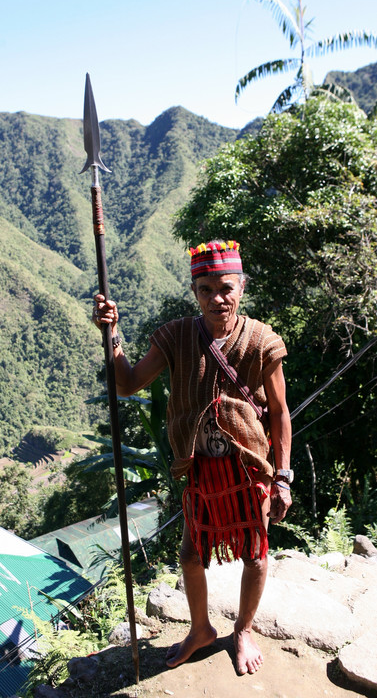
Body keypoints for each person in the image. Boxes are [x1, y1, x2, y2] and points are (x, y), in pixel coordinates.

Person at [93, 240, 292, 676]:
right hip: (200, 467)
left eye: (225, 287)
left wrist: (282, 477)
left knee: (255, 552)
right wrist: (112, 335)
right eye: (205, 289)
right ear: (195, 292)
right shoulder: (176, 336)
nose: (217, 298)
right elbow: (126, 384)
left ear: (240, 287)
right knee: (190, 554)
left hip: (246, 469)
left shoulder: (261, 340)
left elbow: (279, 412)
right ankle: (200, 628)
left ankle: (243, 630)